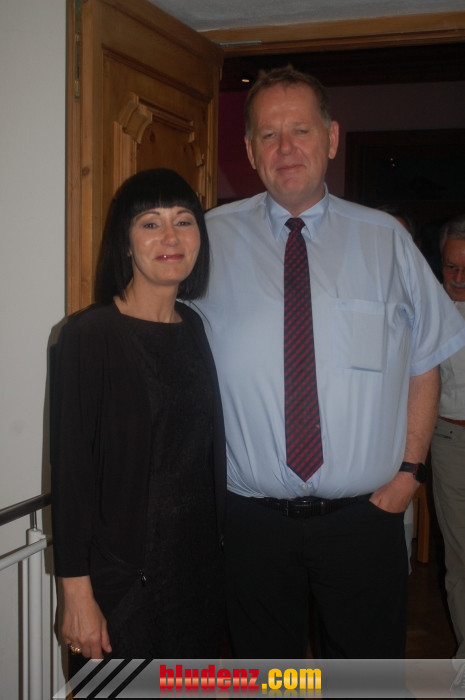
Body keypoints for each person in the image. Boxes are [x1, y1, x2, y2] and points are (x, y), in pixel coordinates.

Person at [192, 66, 465, 659]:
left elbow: (426, 359)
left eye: (301, 130)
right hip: (251, 524)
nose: (285, 147)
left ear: (332, 137)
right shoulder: (207, 241)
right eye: (268, 134)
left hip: (364, 519)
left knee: (365, 682)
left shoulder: (386, 241)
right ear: (249, 151)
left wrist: (410, 473)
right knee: (269, 683)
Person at [51, 168, 226, 666]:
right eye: (150, 223)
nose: (170, 237)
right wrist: (76, 595)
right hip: (124, 585)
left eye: (184, 221)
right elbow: (72, 475)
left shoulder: (194, 327)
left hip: (196, 577)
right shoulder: (89, 335)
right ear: (125, 244)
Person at [430, 214, 465, 659]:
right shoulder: (430, 306)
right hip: (451, 442)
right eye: (451, 266)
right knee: (461, 558)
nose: (458, 278)